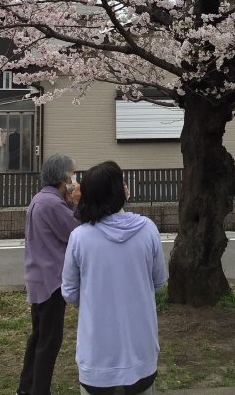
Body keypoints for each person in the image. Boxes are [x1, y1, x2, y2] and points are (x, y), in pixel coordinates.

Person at [62, 160, 168, 395]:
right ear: (121, 191)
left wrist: (92, 298)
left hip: (96, 355)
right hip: (141, 352)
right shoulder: (148, 229)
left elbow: (69, 291)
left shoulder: (79, 237)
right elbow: (159, 280)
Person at [16, 153, 81, 395]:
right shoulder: (53, 204)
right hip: (51, 280)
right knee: (49, 341)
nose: (75, 179)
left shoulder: (41, 199)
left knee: (39, 337)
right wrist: (77, 203)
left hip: (38, 278)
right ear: (63, 178)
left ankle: (26, 388)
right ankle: (39, 390)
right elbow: (74, 232)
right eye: (73, 174)